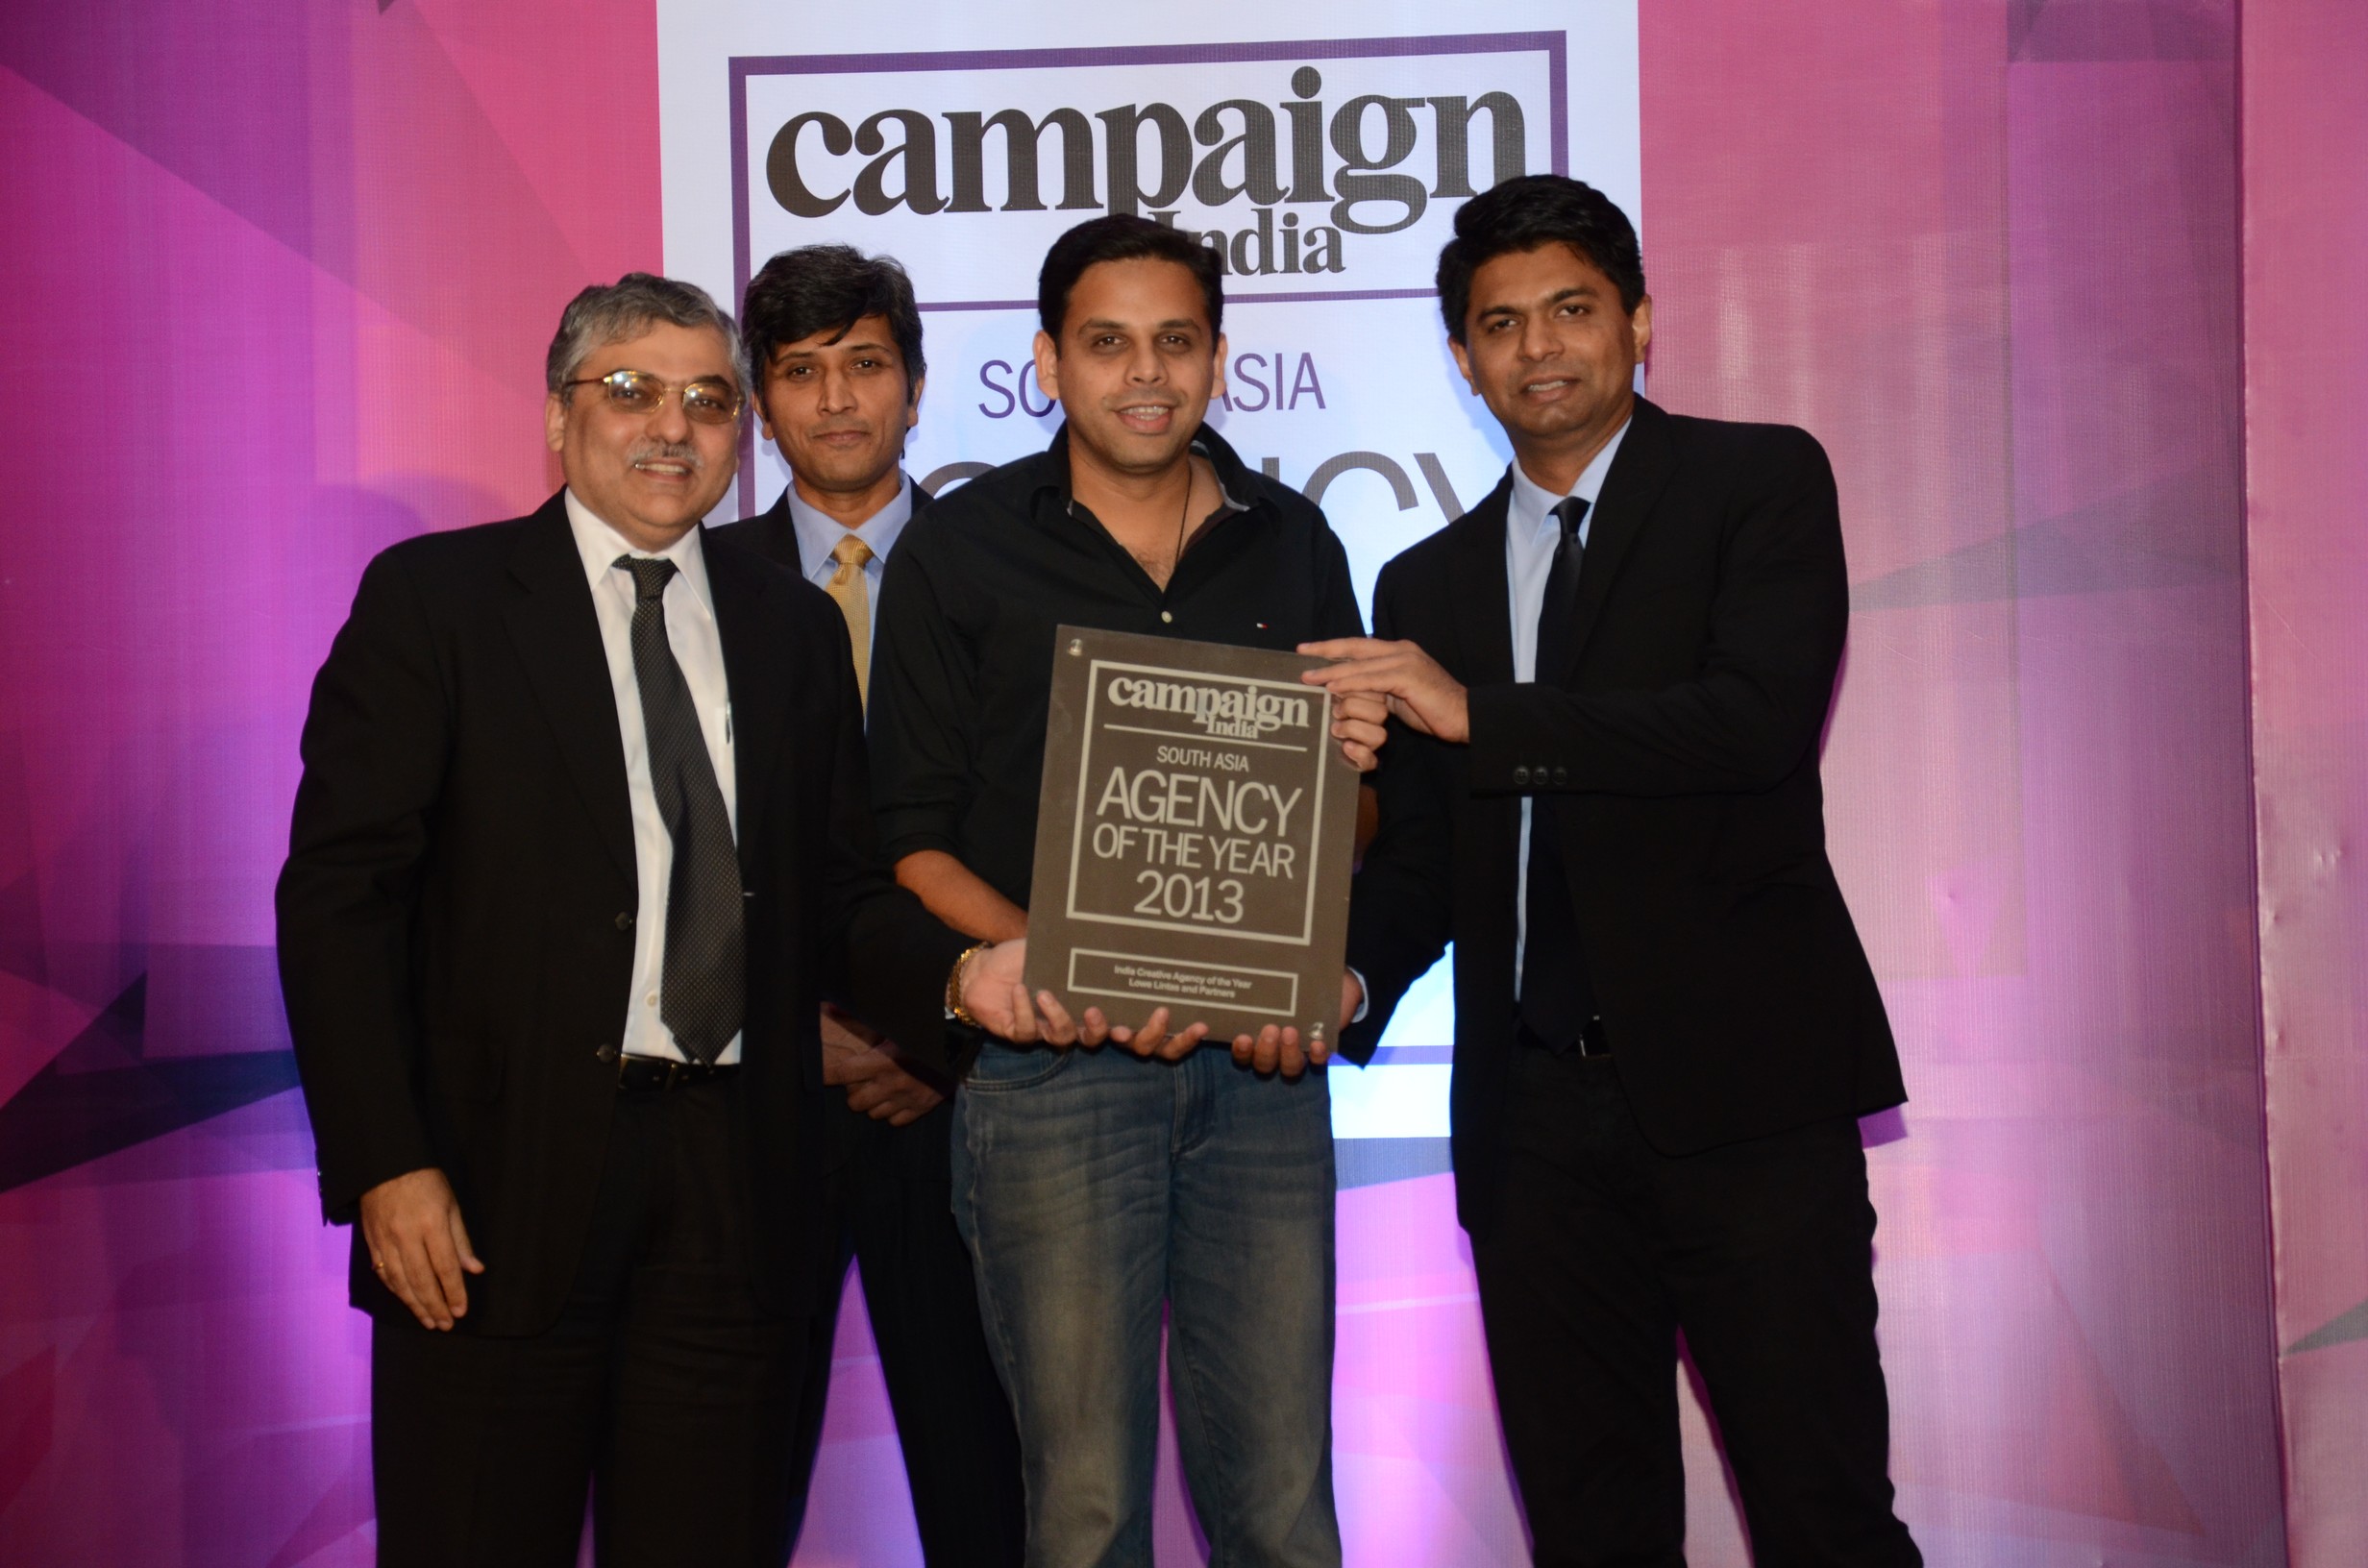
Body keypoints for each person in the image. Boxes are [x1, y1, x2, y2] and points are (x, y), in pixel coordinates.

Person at [276, 272, 1054, 1567]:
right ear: (558, 413)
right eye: (632, 390)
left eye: (708, 399)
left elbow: (840, 893)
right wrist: (384, 1163)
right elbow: (340, 904)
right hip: (490, 1194)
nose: (672, 427)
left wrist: (966, 976)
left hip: (735, 1194)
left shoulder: (791, 629)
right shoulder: (438, 600)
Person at [1306, 176, 1923, 1567]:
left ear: (1640, 322)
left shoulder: (1757, 483)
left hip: (1749, 1107)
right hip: (1531, 1130)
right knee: (1591, 1534)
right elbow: (1426, 863)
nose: (1538, 348)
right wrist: (1341, 978)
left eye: (1571, 310)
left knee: (1825, 1514)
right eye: (1500, 324)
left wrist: (1483, 714)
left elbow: (1751, 724)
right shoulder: (1426, 585)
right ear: (1462, 359)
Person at [864, 213, 1385, 1568]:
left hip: (1261, 1077)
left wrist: (1350, 788)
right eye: (1107, 343)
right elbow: (911, 840)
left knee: (1285, 1506)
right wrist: (1065, 958)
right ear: (1048, 362)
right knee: (1086, 1511)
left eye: (1175, 341)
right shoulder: (960, 550)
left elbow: (1352, 824)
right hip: (1051, 1079)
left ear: (1218, 357)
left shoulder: (1296, 541)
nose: (1145, 373)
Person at [709, 243, 1024, 1567]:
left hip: (967, 1100)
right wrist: (793, 1033)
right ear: (759, 403)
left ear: (916, 383)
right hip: (752, 1107)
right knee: (720, 1493)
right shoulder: (694, 587)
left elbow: (1041, 830)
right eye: (801, 372)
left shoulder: (1009, 572)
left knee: (987, 1488)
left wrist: (933, 1036)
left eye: (865, 365)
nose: (836, 401)